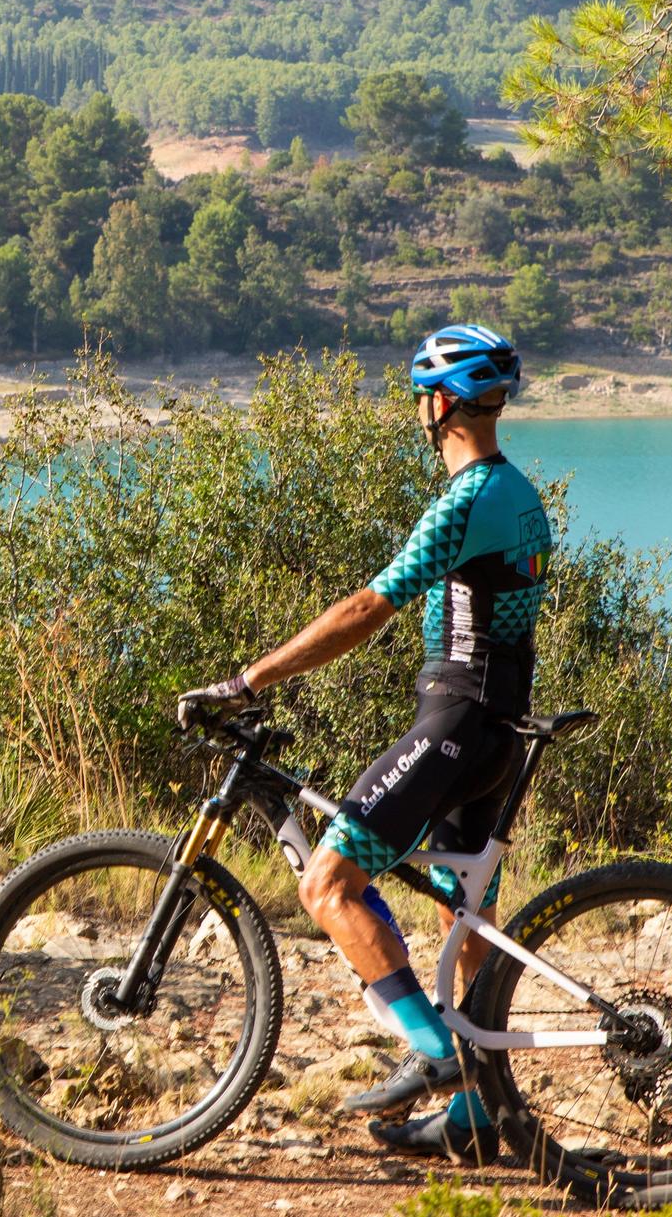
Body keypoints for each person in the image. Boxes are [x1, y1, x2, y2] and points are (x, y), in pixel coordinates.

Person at [175, 324, 552, 1164]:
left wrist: (249, 680)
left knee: (329, 881)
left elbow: (364, 610)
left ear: (441, 403)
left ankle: (431, 1054)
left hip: (456, 725)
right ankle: (477, 1120)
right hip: (495, 727)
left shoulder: (467, 500)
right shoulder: (521, 492)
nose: (420, 405)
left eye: (424, 392)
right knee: (469, 928)